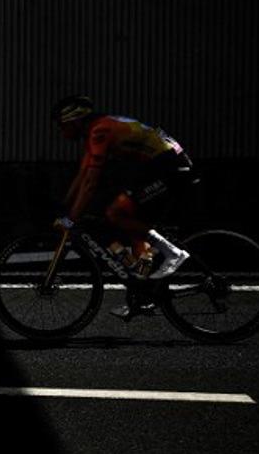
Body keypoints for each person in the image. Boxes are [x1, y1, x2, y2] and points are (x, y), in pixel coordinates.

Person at [51, 96, 198, 320]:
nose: (61, 133)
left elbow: (90, 183)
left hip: (170, 169)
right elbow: (83, 174)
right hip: (160, 166)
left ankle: (172, 253)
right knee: (125, 221)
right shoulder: (94, 132)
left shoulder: (99, 131)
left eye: (62, 126)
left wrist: (71, 218)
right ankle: (143, 293)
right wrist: (64, 206)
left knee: (115, 212)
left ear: (75, 120)